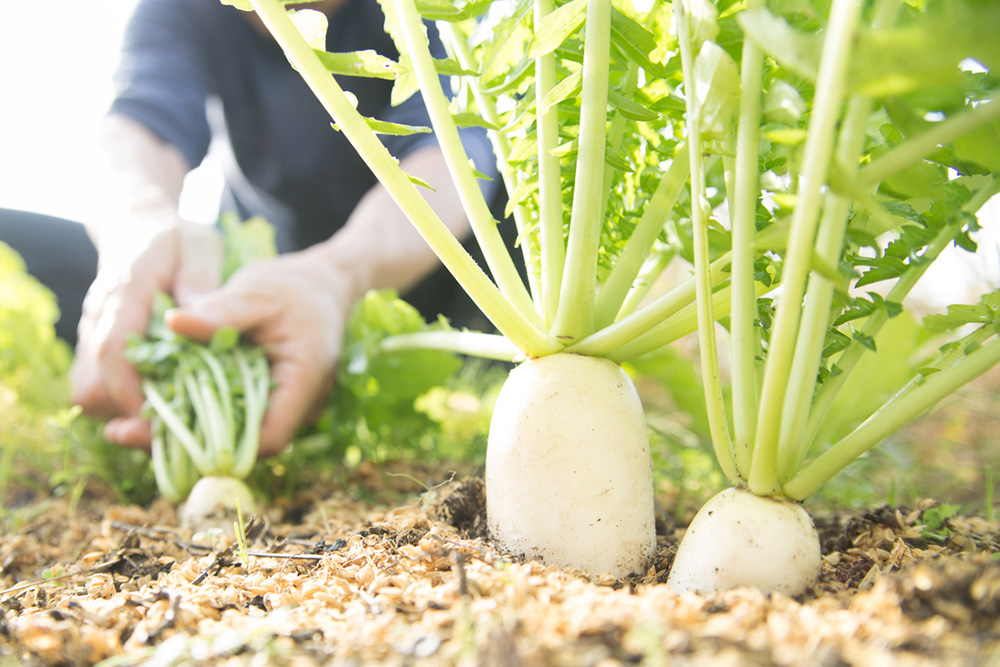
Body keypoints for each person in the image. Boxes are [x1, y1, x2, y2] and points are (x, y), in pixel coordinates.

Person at [0, 0, 501, 458]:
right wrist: (139, 228)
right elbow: (140, 125)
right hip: (254, 288)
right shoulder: (178, 12)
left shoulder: (427, 11)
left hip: (439, 277)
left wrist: (336, 276)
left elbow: (455, 157)